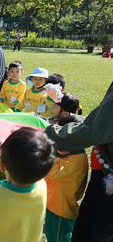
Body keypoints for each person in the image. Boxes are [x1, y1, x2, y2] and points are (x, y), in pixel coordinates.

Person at [45, 82, 113, 241]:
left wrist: (51, 135)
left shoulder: (75, 160)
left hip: (103, 185)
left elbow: (99, 128)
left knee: (89, 233)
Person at [44, 93, 88, 242]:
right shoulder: (67, 153)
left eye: (57, 143)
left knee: (59, 236)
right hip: (52, 202)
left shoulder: (76, 160)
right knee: (52, 232)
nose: (54, 147)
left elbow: (51, 170)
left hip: (61, 209)